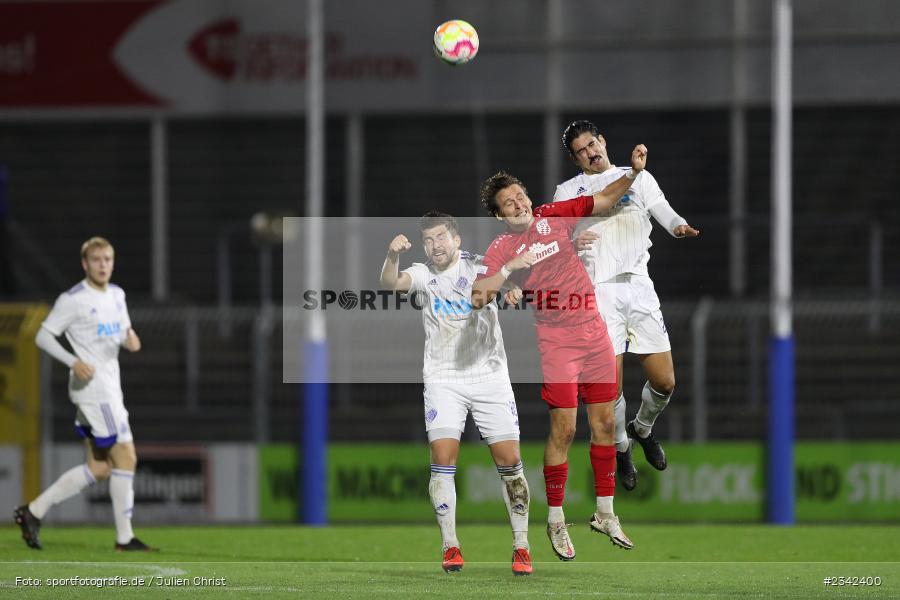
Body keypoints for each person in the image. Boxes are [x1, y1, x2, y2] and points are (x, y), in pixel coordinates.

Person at [471, 143, 647, 561]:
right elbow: (479, 296)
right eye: (507, 203)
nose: (517, 204)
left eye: (519, 196)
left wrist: (635, 172)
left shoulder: (554, 216)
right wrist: (513, 270)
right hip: (557, 341)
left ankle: (605, 512)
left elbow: (604, 199)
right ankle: (554, 518)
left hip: (594, 332)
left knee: (604, 423)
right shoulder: (501, 249)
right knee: (564, 431)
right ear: (498, 215)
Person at [380, 212, 532, 576]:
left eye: (441, 237)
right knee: (442, 457)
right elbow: (390, 283)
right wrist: (392, 255)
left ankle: (522, 546)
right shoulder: (421, 273)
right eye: (429, 240)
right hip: (443, 378)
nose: (435, 245)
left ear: (456, 239)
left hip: (489, 375)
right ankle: (450, 547)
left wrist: (512, 288)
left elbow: (512, 282)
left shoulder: (480, 266)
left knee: (510, 462)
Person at [554, 120, 700, 490]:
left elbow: (664, 211)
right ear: (576, 160)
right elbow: (553, 241)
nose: (590, 151)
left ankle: (642, 427)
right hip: (598, 294)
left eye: (592, 143)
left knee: (665, 382)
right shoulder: (569, 191)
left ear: (603, 141)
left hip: (639, 289)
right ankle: (622, 448)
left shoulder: (639, 177)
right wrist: (571, 244)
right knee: (611, 389)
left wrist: (679, 226)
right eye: (581, 151)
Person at [13, 237, 153, 551]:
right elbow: (43, 336)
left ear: (113, 263)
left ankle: (33, 512)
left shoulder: (118, 295)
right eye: (96, 260)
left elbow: (125, 334)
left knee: (101, 468)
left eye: (107, 259)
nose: (103, 265)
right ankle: (124, 538)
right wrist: (73, 361)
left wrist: (131, 340)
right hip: (94, 392)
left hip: (110, 388)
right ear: (85, 264)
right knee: (126, 457)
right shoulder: (73, 299)